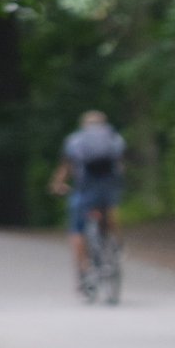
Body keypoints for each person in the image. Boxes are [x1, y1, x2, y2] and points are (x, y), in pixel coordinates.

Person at [49, 110, 126, 292]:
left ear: (84, 125)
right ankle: (117, 247)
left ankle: (84, 273)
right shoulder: (115, 139)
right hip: (108, 189)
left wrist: (57, 185)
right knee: (110, 211)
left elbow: (65, 167)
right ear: (104, 124)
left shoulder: (74, 141)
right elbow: (120, 166)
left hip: (84, 190)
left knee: (77, 231)